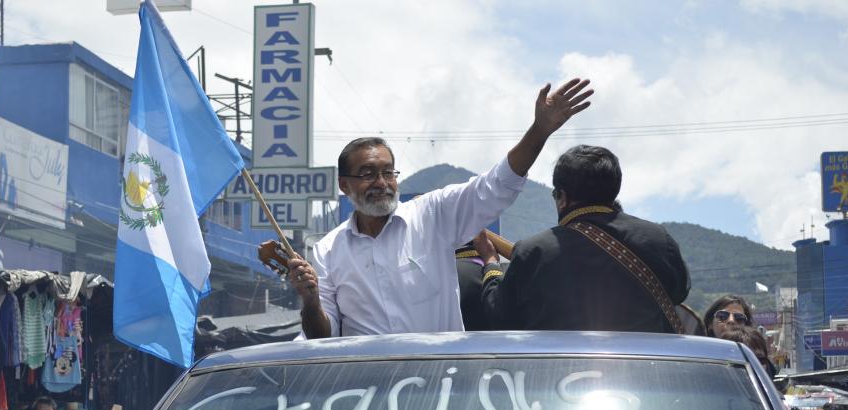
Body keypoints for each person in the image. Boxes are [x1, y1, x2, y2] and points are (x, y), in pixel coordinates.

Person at [286, 78, 594, 338]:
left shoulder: (433, 215)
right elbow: (322, 338)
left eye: (388, 172)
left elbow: (496, 185)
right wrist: (311, 301)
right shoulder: (328, 250)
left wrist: (539, 130)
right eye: (368, 174)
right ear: (344, 185)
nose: (381, 182)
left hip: (441, 390)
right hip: (368, 396)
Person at [475, 145, 690, 332]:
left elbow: (500, 316)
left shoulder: (534, 251)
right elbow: (679, 292)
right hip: (645, 372)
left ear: (562, 197)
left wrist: (491, 263)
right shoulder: (659, 239)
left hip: (560, 375)